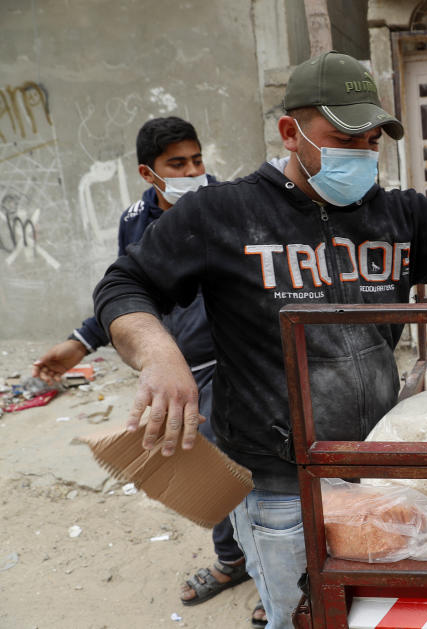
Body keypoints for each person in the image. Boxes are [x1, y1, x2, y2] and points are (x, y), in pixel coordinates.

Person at [93, 50, 427, 629]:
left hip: (381, 473)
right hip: (281, 486)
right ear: (290, 132)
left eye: (372, 141)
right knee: (302, 617)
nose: (360, 154)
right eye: (344, 138)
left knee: (385, 614)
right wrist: (159, 353)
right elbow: (123, 285)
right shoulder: (224, 213)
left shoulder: (399, 215)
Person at [31, 117, 266, 627]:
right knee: (210, 470)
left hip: (237, 363)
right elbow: (130, 292)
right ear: (148, 172)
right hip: (179, 372)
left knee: (258, 469)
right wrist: (79, 343)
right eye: (177, 164)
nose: (193, 172)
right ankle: (235, 562)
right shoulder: (135, 219)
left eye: (197, 160)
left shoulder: (229, 206)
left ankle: (277, 578)